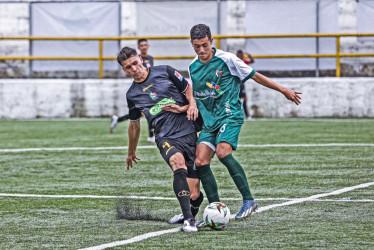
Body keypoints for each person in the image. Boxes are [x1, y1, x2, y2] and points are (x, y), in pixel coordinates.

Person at [188, 24, 302, 223]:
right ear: (192, 44)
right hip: (209, 121)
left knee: (223, 152)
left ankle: (249, 200)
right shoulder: (192, 67)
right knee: (200, 162)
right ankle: (216, 209)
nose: (202, 50)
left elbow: (255, 76)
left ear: (212, 41)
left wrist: (283, 89)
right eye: (197, 46)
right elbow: (194, 94)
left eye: (205, 45)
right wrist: (190, 106)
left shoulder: (228, 59)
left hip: (229, 115)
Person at [117, 46, 204, 232]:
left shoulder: (165, 71)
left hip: (188, 130)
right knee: (177, 162)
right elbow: (134, 124)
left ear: (140, 59)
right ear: (124, 70)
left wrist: (190, 106)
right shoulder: (132, 95)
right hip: (165, 136)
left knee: (195, 195)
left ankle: (187, 212)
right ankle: (189, 220)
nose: (134, 69)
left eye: (135, 63)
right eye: (128, 67)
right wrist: (131, 151)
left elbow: (188, 88)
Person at [110, 39, 155, 143]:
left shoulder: (150, 58)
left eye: (145, 45)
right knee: (144, 112)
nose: (144, 47)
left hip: (151, 87)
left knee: (144, 112)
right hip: (141, 89)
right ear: (139, 48)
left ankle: (118, 119)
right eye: (141, 45)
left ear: (148, 46)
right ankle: (151, 135)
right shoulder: (132, 59)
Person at [236, 49, 254, 120]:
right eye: (240, 54)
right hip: (237, 82)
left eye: (242, 54)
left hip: (241, 82)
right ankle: (241, 115)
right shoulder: (235, 61)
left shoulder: (243, 61)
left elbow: (252, 61)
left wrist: (249, 56)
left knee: (243, 99)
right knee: (238, 100)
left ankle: (246, 115)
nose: (241, 56)